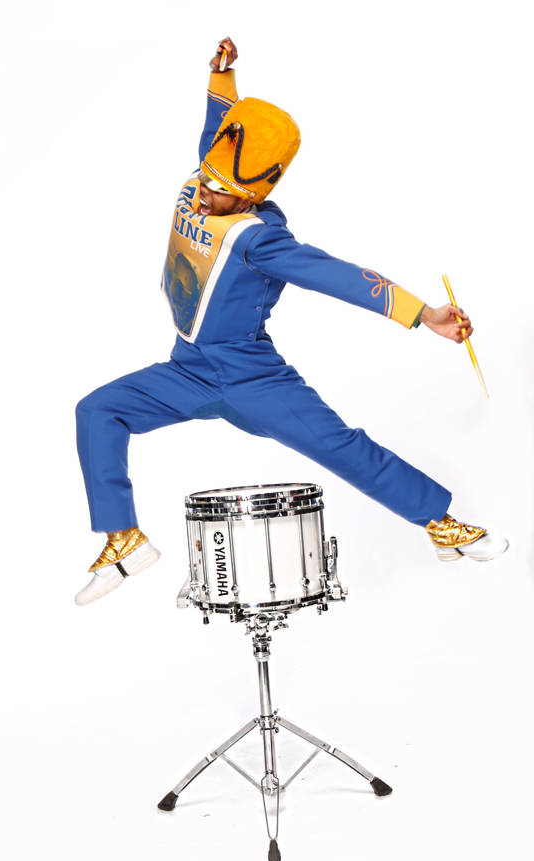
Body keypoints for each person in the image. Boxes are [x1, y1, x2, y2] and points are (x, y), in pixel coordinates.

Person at [74, 37, 507, 606]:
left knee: (342, 447)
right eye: (205, 178)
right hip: (188, 368)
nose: (204, 194)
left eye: (220, 191)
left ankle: (444, 526)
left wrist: (423, 313)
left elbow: (338, 276)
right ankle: (124, 539)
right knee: (97, 410)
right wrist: (221, 79)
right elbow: (219, 135)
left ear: (249, 195)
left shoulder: (261, 240)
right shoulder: (204, 179)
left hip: (251, 377)